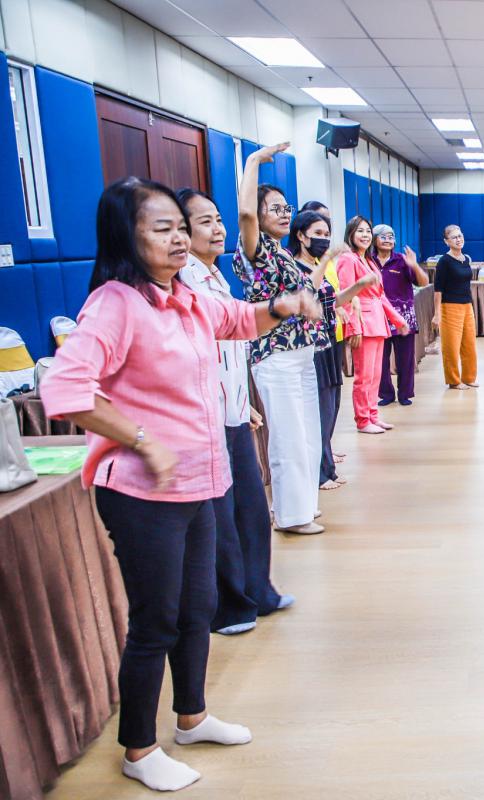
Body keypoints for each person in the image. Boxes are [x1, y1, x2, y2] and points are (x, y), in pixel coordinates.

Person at [40, 177, 322, 792]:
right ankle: (139, 749)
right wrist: (141, 439)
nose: (177, 239)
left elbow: (240, 320)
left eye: (179, 228)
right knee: (156, 621)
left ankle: (191, 717)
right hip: (141, 493)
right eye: (162, 228)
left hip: (198, 481)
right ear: (127, 235)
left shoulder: (186, 297)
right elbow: (63, 388)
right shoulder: (116, 303)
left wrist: (286, 306)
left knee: (198, 610)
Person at [177, 188, 291, 637]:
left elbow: (232, 350)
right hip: (205, 419)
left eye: (218, 219)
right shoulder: (183, 283)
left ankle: (259, 591)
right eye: (204, 222)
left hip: (235, 412)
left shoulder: (216, 278)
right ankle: (227, 607)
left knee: (252, 509)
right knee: (220, 517)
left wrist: (245, 404)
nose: (217, 229)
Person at [233, 142, 327, 535]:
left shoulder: (283, 252)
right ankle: (291, 516)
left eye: (287, 208)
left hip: (301, 353)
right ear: (258, 215)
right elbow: (243, 213)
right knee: (288, 437)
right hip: (275, 354)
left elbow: (306, 291)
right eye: (276, 208)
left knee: (308, 435)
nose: (285, 213)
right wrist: (253, 160)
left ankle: (305, 505)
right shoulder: (254, 250)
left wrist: (329, 260)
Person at [289, 210, 376, 487]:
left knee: (330, 407)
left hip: (328, 341)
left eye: (327, 234)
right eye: (318, 234)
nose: (324, 239)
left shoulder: (317, 265)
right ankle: (318, 473)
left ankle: (327, 466)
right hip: (310, 347)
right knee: (317, 410)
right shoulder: (295, 266)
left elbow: (332, 301)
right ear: (300, 236)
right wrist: (327, 258)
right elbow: (307, 294)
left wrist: (359, 286)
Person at [336, 216, 408, 433]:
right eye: (360, 231)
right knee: (364, 376)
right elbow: (346, 295)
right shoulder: (347, 259)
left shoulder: (367, 260)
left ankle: (373, 415)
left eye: (368, 231)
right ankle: (362, 420)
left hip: (377, 322)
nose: (365, 235)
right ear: (350, 234)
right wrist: (353, 328)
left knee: (376, 375)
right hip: (362, 323)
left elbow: (380, 296)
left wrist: (398, 320)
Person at [372, 224, 428, 405]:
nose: (388, 240)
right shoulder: (368, 261)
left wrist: (414, 265)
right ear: (374, 239)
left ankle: (404, 394)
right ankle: (386, 395)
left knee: (405, 359)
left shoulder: (402, 260)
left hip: (403, 317)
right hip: (377, 316)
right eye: (383, 236)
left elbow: (424, 282)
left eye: (391, 236)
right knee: (380, 359)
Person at [433, 224, 478, 389]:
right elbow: (438, 289)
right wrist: (437, 314)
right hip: (449, 307)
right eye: (454, 237)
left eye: (460, 236)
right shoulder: (444, 261)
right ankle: (453, 380)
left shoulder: (466, 259)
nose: (458, 239)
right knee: (451, 346)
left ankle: (469, 377)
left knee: (469, 344)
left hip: (467, 306)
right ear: (446, 241)